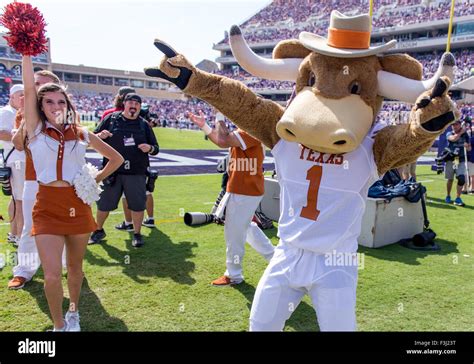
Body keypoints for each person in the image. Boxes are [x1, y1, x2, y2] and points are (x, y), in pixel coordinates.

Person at [21, 54, 123, 331]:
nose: (56, 106)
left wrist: (93, 181)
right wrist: (26, 51)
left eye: (61, 101)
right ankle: (58, 325)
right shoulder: (36, 130)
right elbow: (29, 88)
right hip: (46, 205)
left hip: (77, 204)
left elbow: (116, 160)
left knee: (75, 270)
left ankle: (74, 312)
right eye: (49, 101)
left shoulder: (81, 133)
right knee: (52, 275)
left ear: (68, 105)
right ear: (40, 106)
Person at [188, 110, 275, 286]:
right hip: (244, 189)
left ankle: (234, 275)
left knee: (234, 233)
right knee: (246, 227)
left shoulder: (251, 131)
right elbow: (221, 140)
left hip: (245, 190)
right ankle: (274, 257)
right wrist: (204, 126)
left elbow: (223, 140)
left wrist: (220, 115)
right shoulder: (248, 131)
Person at [8, 71, 63, 290]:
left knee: (63, 224)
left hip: (62, 179)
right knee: (30, 226)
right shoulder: (25, 113)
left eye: (40, 84)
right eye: (35, 84)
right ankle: (24, 270)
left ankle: (66, 265)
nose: (34, 88)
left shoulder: (64, 111)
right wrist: (29, 117)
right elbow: (19, 144)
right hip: (34, 177)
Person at [91, 93, 159, 247]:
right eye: (131, 102)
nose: (133, 105)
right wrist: (100, 135)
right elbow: (92, 138)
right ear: (125, 104)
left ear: (140, 107)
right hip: (112, 171)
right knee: (104, 204)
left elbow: (156, 148)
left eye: (137, 103)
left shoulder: (144, 125)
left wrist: (150, 148)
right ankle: (98, 230)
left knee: (137, 204)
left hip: (136, 171)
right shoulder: (111, 119)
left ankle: (137, 233)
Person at [115, 103, 158, 230]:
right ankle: (150, 219)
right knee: (146, 191)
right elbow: (153, 122)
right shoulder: (142, 114)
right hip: (140, 158)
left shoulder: (120, 115)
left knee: (126, 193)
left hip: (131, 158)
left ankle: (129, 223)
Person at [0, 84, 25, 246]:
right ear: (12, 97)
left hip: (19, 159)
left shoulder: (17, 112)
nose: (24, 98)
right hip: (16, 160)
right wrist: (22, 137)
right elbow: (2, 133)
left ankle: (14, 232)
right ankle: (18, 235)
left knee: (16, 199)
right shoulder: (6, 112)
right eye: (20, 95)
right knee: (20, 199)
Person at [445, 119, 471, 206]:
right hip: (451, 158)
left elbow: (469, 148)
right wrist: (460, 133)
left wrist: (467, 146)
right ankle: (448, 195)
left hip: (460, 159)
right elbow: (453, 139)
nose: (454, 126)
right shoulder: (449, 133)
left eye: (456, 124)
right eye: (453, 125)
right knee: (450, 179)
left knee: (461, 178)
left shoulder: (465, 135)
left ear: (460, 125)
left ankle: (458, 198)